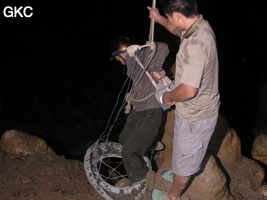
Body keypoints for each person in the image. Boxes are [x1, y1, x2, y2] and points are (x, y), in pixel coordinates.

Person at [147, 0, 220, 199]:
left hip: (196, 116)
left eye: (170, 16)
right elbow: (175, 28)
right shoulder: (197, 25)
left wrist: (166, 96)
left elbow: (188, 91)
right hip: (193, 110)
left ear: (178, 15)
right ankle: (180, 172)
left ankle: (174, 195)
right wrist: (158, 17)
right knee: (182, 150)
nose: (171, 21)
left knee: (187, 156)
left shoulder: (196, 44)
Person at [109, 36, 170, 184]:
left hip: (150, 111)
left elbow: (163, 47)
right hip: (139, 110)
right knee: (123, 139)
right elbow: (142, 85)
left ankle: (142, 184)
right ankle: (150, 143)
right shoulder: (131, 65)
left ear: (121, 53)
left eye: (116, 57)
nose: (117, 61)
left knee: (129, 153)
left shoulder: (139, 56)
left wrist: (144, 50)